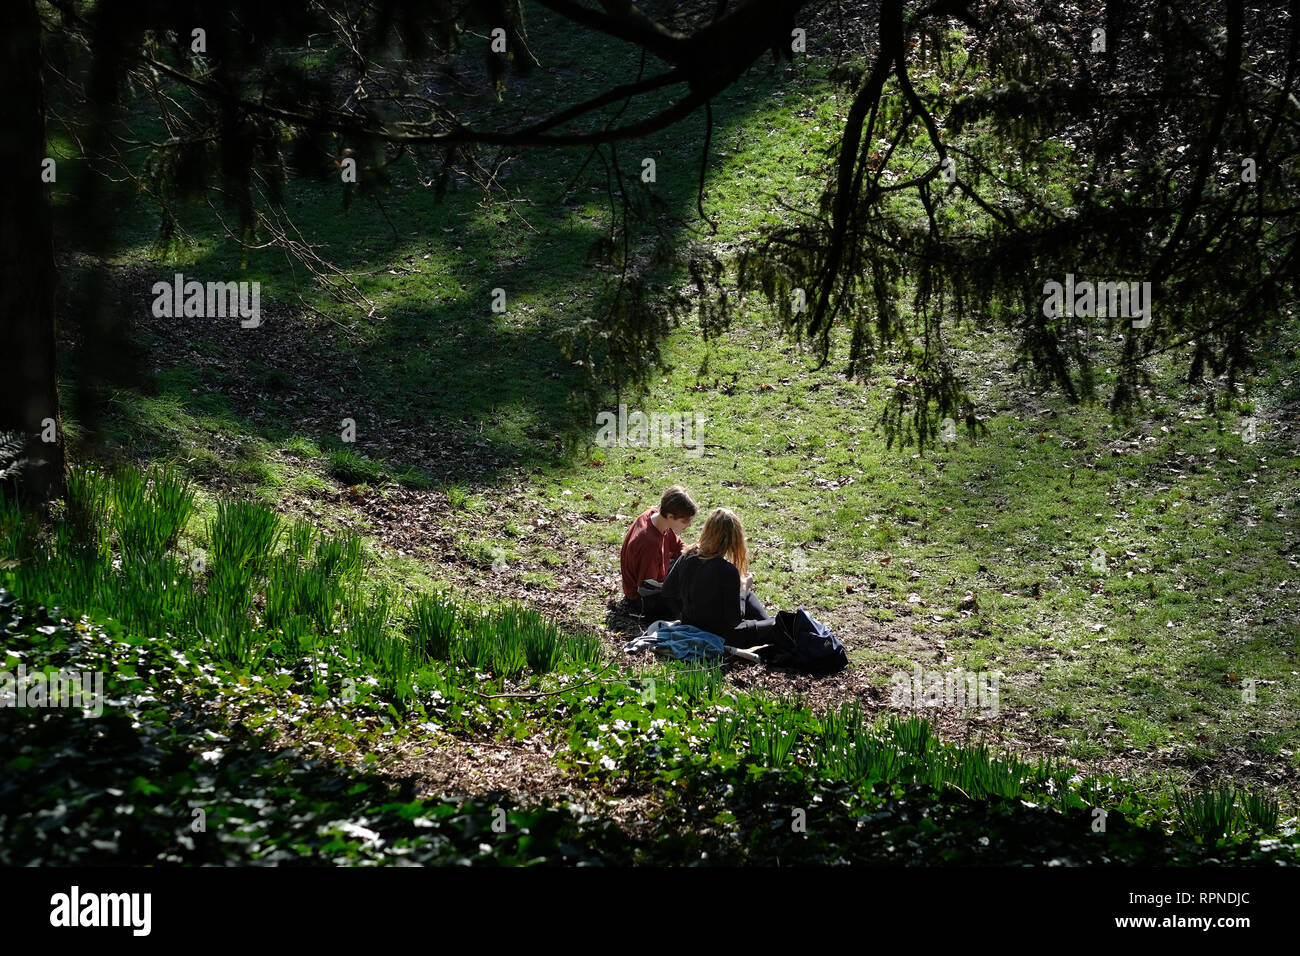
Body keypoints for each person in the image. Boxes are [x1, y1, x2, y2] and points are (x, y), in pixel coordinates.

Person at [659, 507, 777, 645]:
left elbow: (667, 592)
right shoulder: (727, 571)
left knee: (752, 599)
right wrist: (743, 588)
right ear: (732, 540)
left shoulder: (687, 556)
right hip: (724, 636)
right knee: (777, 623)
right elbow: (735, 621)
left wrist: (684, 616)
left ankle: (768, 630)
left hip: (692, 626)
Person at [620, 485, 697, 619]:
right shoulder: (650, 544)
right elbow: (649, 587)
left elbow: (678, 546)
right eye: (685, 521)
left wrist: (695, 554)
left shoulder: (655, 516)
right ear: (670, 516)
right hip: (642, 599)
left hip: (653, 581)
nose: (689, 525)